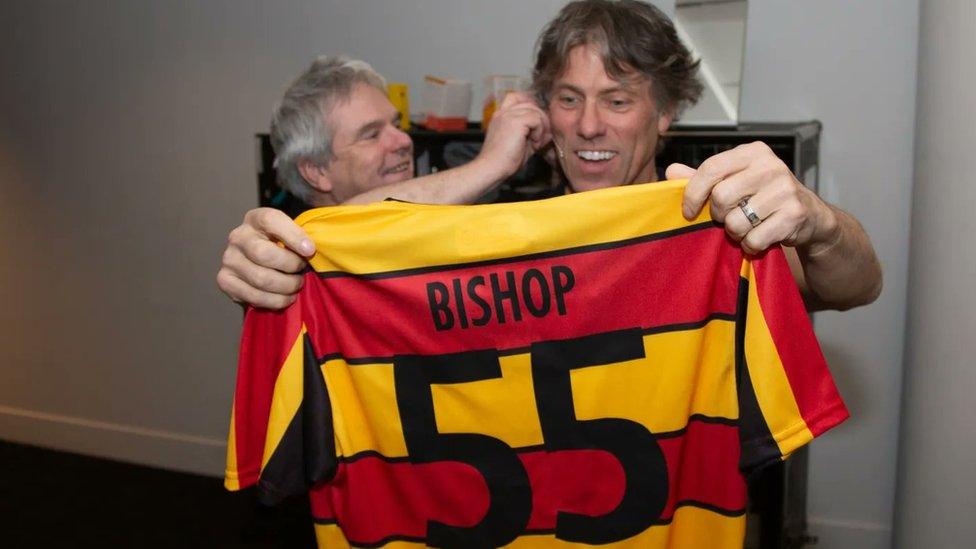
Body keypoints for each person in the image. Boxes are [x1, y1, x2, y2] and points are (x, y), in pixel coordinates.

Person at [218, 0, 881, 312]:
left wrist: (821, 221)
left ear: (667, 111)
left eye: (617, 101)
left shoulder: (710, 226)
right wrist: (274, 252)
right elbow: (350, 235)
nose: (587, 124)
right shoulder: (502, 221)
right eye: (567, 98)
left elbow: (853, 286)